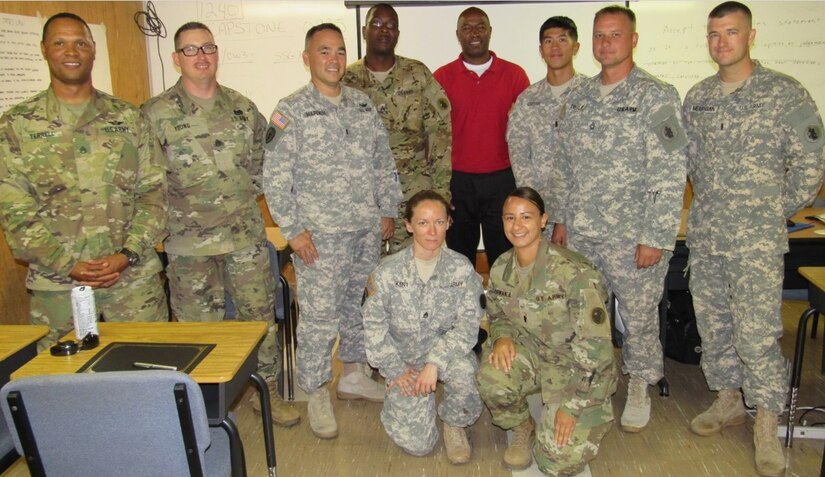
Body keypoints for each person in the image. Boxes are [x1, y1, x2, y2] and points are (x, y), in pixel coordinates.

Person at [682, 3, 825, 475]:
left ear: (751, 35)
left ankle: (766, 419)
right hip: (706, 235)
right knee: (715, 324)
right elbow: (690, 164)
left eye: (730, 32)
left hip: (756, 240)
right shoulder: (698, 97)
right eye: (713, 34)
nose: (721, 42)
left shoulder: (784, 93)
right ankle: (727, 399)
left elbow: (810, 163)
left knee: (758, 332)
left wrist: (771, 209)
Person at [140, 22, 299, 427]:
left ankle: (267, 393)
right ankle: (201, 403)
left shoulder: (243, 108)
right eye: (190, 50)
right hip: (188, 246)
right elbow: (145, 179)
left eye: (207, 47)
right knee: (197, 329)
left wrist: (242, 195)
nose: (201, 56)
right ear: (176, 59)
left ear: (217, 53)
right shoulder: (154, 114)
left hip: (244, 238)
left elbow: (267, 164)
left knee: (259, 319)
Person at [262, 23, 402, 439]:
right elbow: (274, 177)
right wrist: (292, 230)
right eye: (324, 51)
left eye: (340, 51)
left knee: (359, 308)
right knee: (320, 319)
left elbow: (383, 161)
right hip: (318, 238)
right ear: (307, 58)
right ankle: (316, 389)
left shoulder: (362, 106)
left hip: (364, 231)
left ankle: (354, 375)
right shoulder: (291, 110)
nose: (334, 59)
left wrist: (387, 209)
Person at [555, 5, 687, 433]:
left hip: (633, 235)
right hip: (583, 233)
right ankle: (592, 383)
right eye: (599, 35)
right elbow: (565, 169)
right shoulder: (579, 97)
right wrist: (560, 220)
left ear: (633, 40)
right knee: (585, 314)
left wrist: (655, 236)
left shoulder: (657, 95)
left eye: (614, 34)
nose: (605, 43)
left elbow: (669, 172)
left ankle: (638, 385)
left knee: (639, 314)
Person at [0, 12, 168, 348]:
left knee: (148, 370)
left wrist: (127, 254)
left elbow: (154, 194)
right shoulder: (16, 126)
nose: (71, 51)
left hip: (132, 282)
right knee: (62, 388)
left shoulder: (128, 118)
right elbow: (15, 212)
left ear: (93, 50)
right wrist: (68, 264)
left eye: (80, 43)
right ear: (44, 50)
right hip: (58, 284)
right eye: (60, 43)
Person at [477, 187, 616, 476]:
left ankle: (595, 413)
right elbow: (499, 313)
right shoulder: (502, 265)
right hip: (535, 357)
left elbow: (596, 349)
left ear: (543, 220)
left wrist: (572, 407)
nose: (517, 226)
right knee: (492, 374)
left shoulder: (574, 272)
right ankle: (523, 426)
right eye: (510, 217)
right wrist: (502, 336)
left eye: (526, 217)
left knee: (555, 461)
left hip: (577, 371)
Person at [362, 190, 484, 464]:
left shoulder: (461, 269)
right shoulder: (387, 272)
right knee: (419, 445)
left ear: (449, 224)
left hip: (446, 355)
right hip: (403, 361)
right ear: (408, 225)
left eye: (439, 222)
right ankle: (405, 403)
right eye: (423, 223)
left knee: (465, 372)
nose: (432, 231)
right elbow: (372, 328)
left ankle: (454, 422)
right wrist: (394, 369)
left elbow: (468, 327)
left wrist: (435, 362)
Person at [343, 3, 452, 255]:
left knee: (416, 269)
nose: (384, 30)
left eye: (391, 25)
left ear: (398, 34)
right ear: (364, 30)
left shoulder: (417, 74)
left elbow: (440, 135)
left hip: (414, 193)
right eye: (377, 24)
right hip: (365, 198)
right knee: (368, 275)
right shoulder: (346, 81)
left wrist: (441, 195)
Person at [434, 7, 530, 269]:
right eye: (467, 27)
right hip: (458, 183)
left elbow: (528, 131)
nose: (474, 33)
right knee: (458, 257)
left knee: (503, 256)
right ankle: (463, 309)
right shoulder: (441, 77)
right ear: (458, 34)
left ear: (490, 32)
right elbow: (433, 135)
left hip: (501, 180)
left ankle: (502, 308)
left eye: (480, 27)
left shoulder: (515, 75)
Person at [507, 16, 585, 239]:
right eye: (548, 41)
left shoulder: (591, 95)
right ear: (541, 50)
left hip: (583, 215)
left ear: (576, 47)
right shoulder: (527, 99)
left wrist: (565, 214)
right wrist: (535, 207)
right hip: (539, 215)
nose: (555, 47)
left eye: (562, 39)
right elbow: (519, 155)